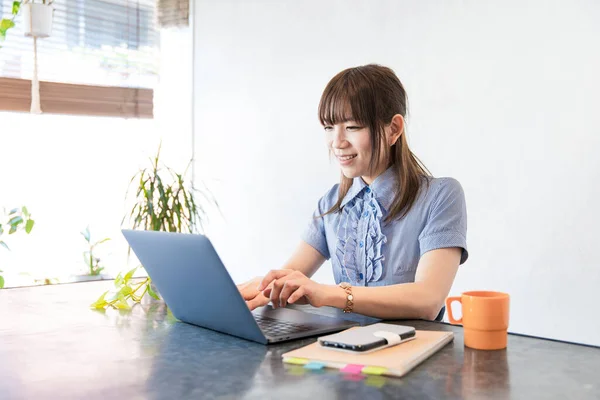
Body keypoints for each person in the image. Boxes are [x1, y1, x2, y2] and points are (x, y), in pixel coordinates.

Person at [238, 64, 468, 320]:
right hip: (342, 346)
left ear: (394, 129)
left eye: (353, 127)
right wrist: (263, 288)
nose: (337, 142)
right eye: (329, 127)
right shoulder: (332, 203)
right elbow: (290, 276)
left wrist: (328, 294)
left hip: (410, 348)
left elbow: (427, 299)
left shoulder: (440, 196)